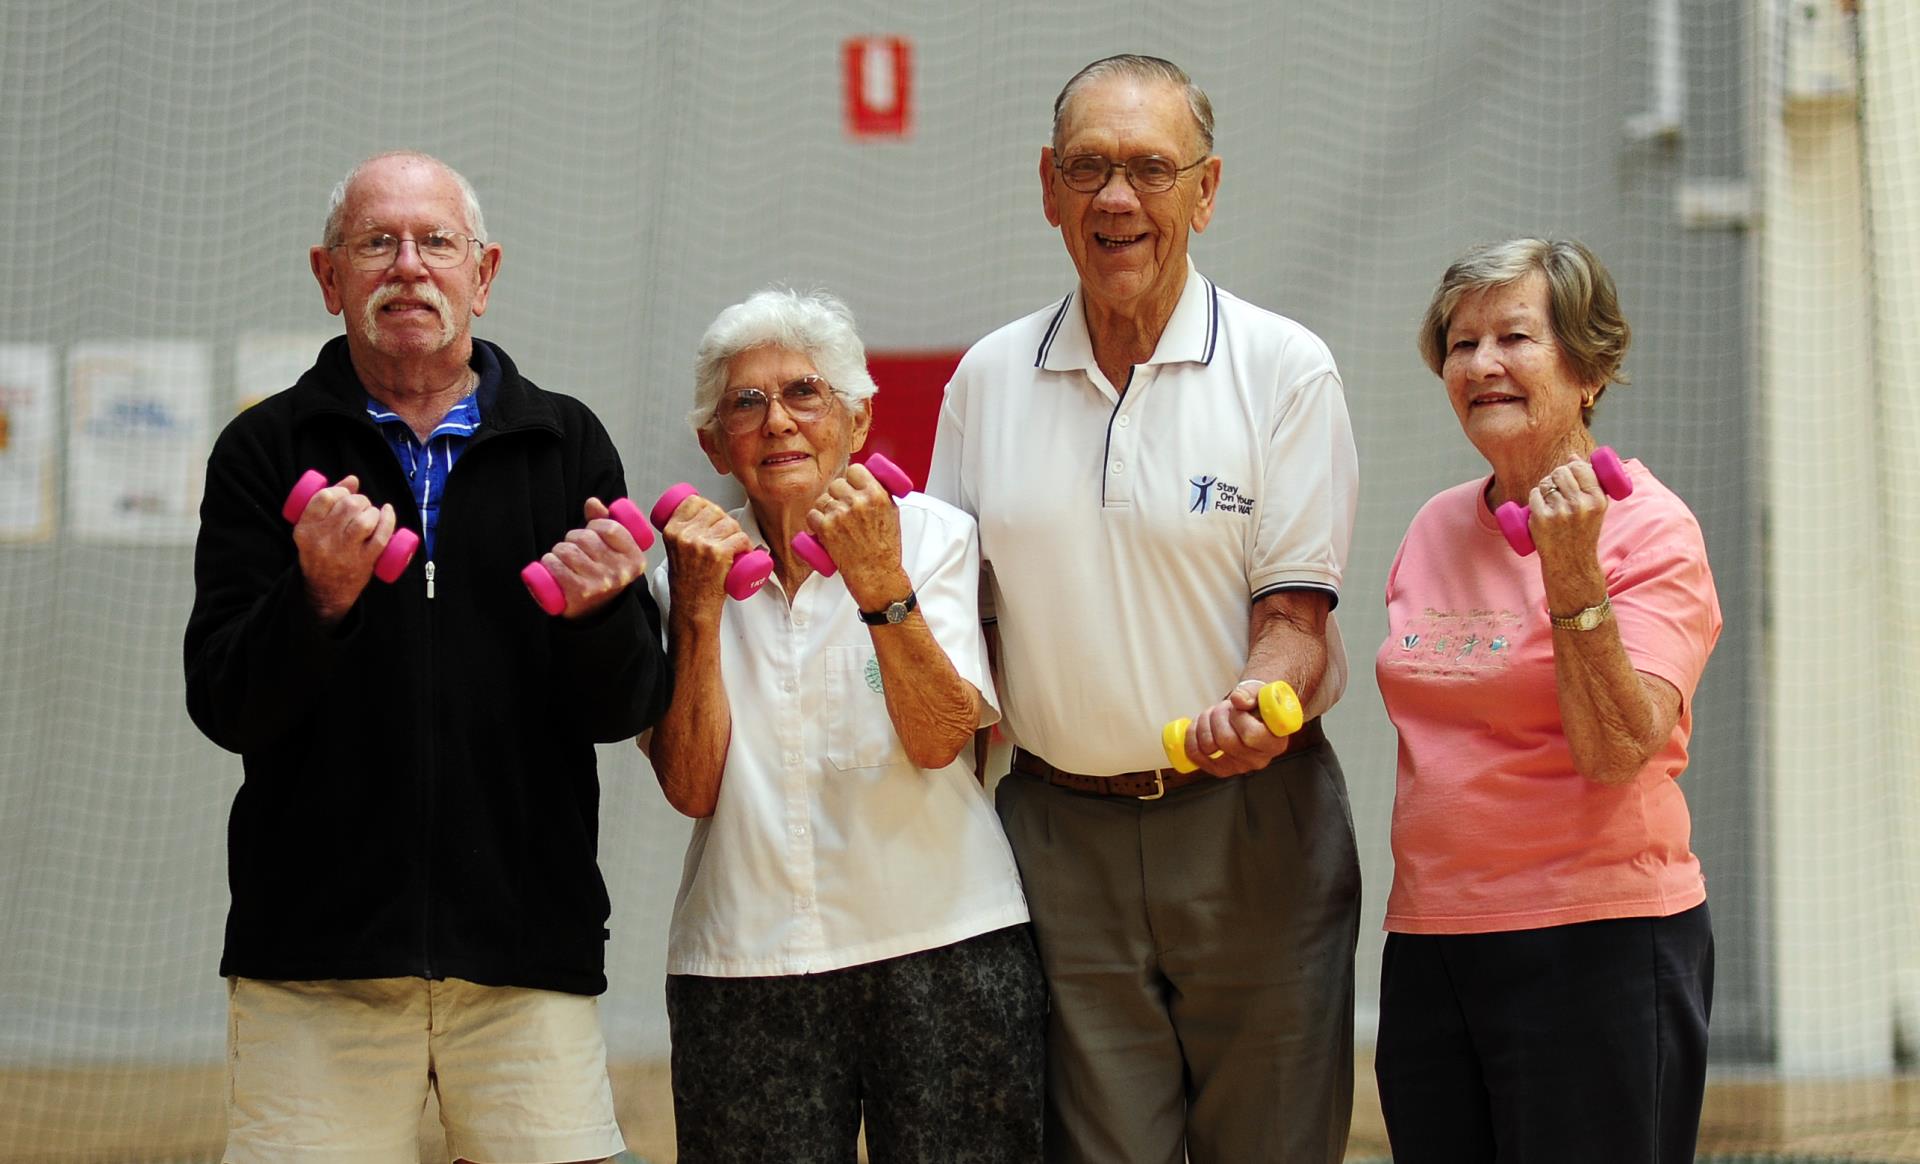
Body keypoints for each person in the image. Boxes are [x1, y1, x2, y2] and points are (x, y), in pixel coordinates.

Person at [183, 150, 669, 1164]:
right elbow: (226, 702)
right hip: (317, 966)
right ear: (330, 277)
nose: (409, 266)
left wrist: (599, 614)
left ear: (482, 274)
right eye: (377, 244)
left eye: (435, 242)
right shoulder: (264, 453)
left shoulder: (566, 443)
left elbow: (624, 705)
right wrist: (315, 599)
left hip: (525, 953)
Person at [928, 55, 1362, 1163]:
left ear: (1205, 191)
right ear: (1047, 186)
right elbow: (954, 626)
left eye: (1151, 170)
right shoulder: (984, 379)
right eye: (1089, 169)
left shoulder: (1285, 369)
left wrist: (1257, 698)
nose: (1117, 199)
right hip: (1054, 838)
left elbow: (1298, 616)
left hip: (1255, 834)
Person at [642, 287, 1044, 1163]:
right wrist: (701, 614)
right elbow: (690, 787)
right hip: (741, 962)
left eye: (804, 394)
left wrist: (877, 583)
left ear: (858, 422)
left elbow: (942, 738)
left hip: (946, 944)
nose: (777, 421)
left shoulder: (933, 536)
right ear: (713, 444)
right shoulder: (681, 572)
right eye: (745, 403)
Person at [1374, 238, 1721, 1163]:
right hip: (1433, 943)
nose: (1481, 363)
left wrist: (1574, 575)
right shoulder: (1435, 524)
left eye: (1514, 338)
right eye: (1460, 343)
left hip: (1599, 945)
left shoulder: (1653, 530)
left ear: (1589, 368)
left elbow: (1617, 752)